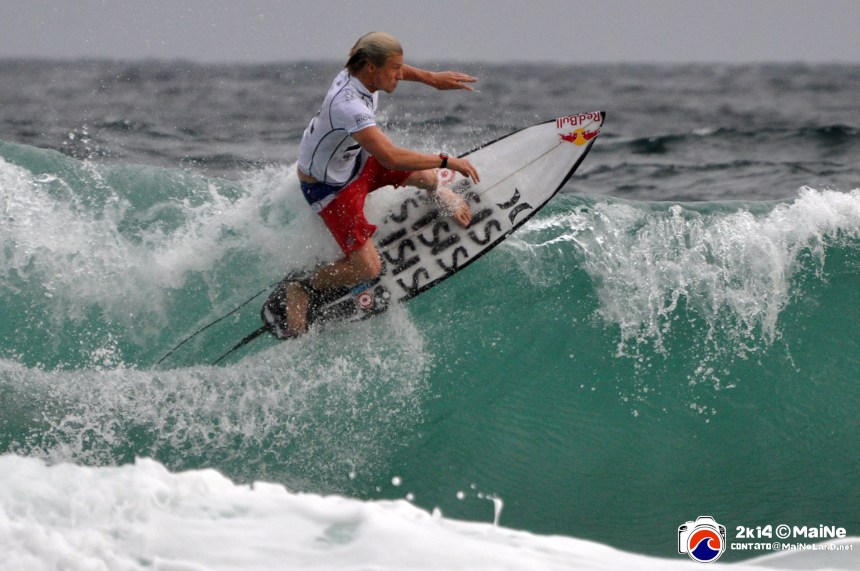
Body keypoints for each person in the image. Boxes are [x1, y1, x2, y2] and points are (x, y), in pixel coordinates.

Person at [278, 31, 481, 336]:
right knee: (368, 269)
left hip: (355, 161)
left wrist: (432, 79)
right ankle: (303, 287)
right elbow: (391, 158)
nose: (400, 75)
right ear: (371, 67)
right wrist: (447, 160)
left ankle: (438, 194)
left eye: (400, 67)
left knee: (428, 179)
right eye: (394, 69)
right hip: (329, 189)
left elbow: (398, 71)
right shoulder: (347, 105)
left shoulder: (365, 77)